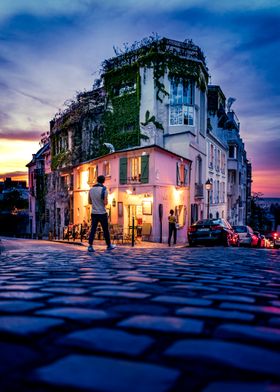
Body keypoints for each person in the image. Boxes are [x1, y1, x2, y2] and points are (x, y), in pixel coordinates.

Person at [88, 175, 116, 252]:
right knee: (105, 229)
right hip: (102, 212)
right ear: (103, 181)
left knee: (93, 229)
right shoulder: (104, 190)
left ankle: (90, 245)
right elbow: (105, 203)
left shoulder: (91, 190)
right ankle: (109, 245)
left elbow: (90, 202)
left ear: (97, 180)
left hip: (94, 212)